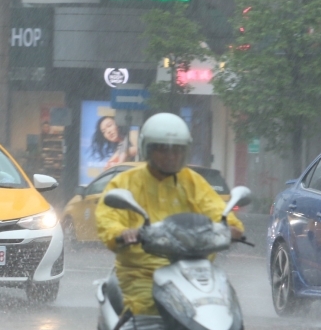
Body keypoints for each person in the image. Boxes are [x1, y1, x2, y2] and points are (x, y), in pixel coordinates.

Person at [95, 112, 244, 316]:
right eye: (163, 150)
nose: (171, 156)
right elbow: (108, 218)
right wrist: (122, 233)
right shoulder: (125, 182)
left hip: (192, 271)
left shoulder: (194, 182)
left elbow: (216, 210)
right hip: (142, 274)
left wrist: (230, 228)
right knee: (146, 311)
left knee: (222, 310)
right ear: (147, 149)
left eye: (177, 151)